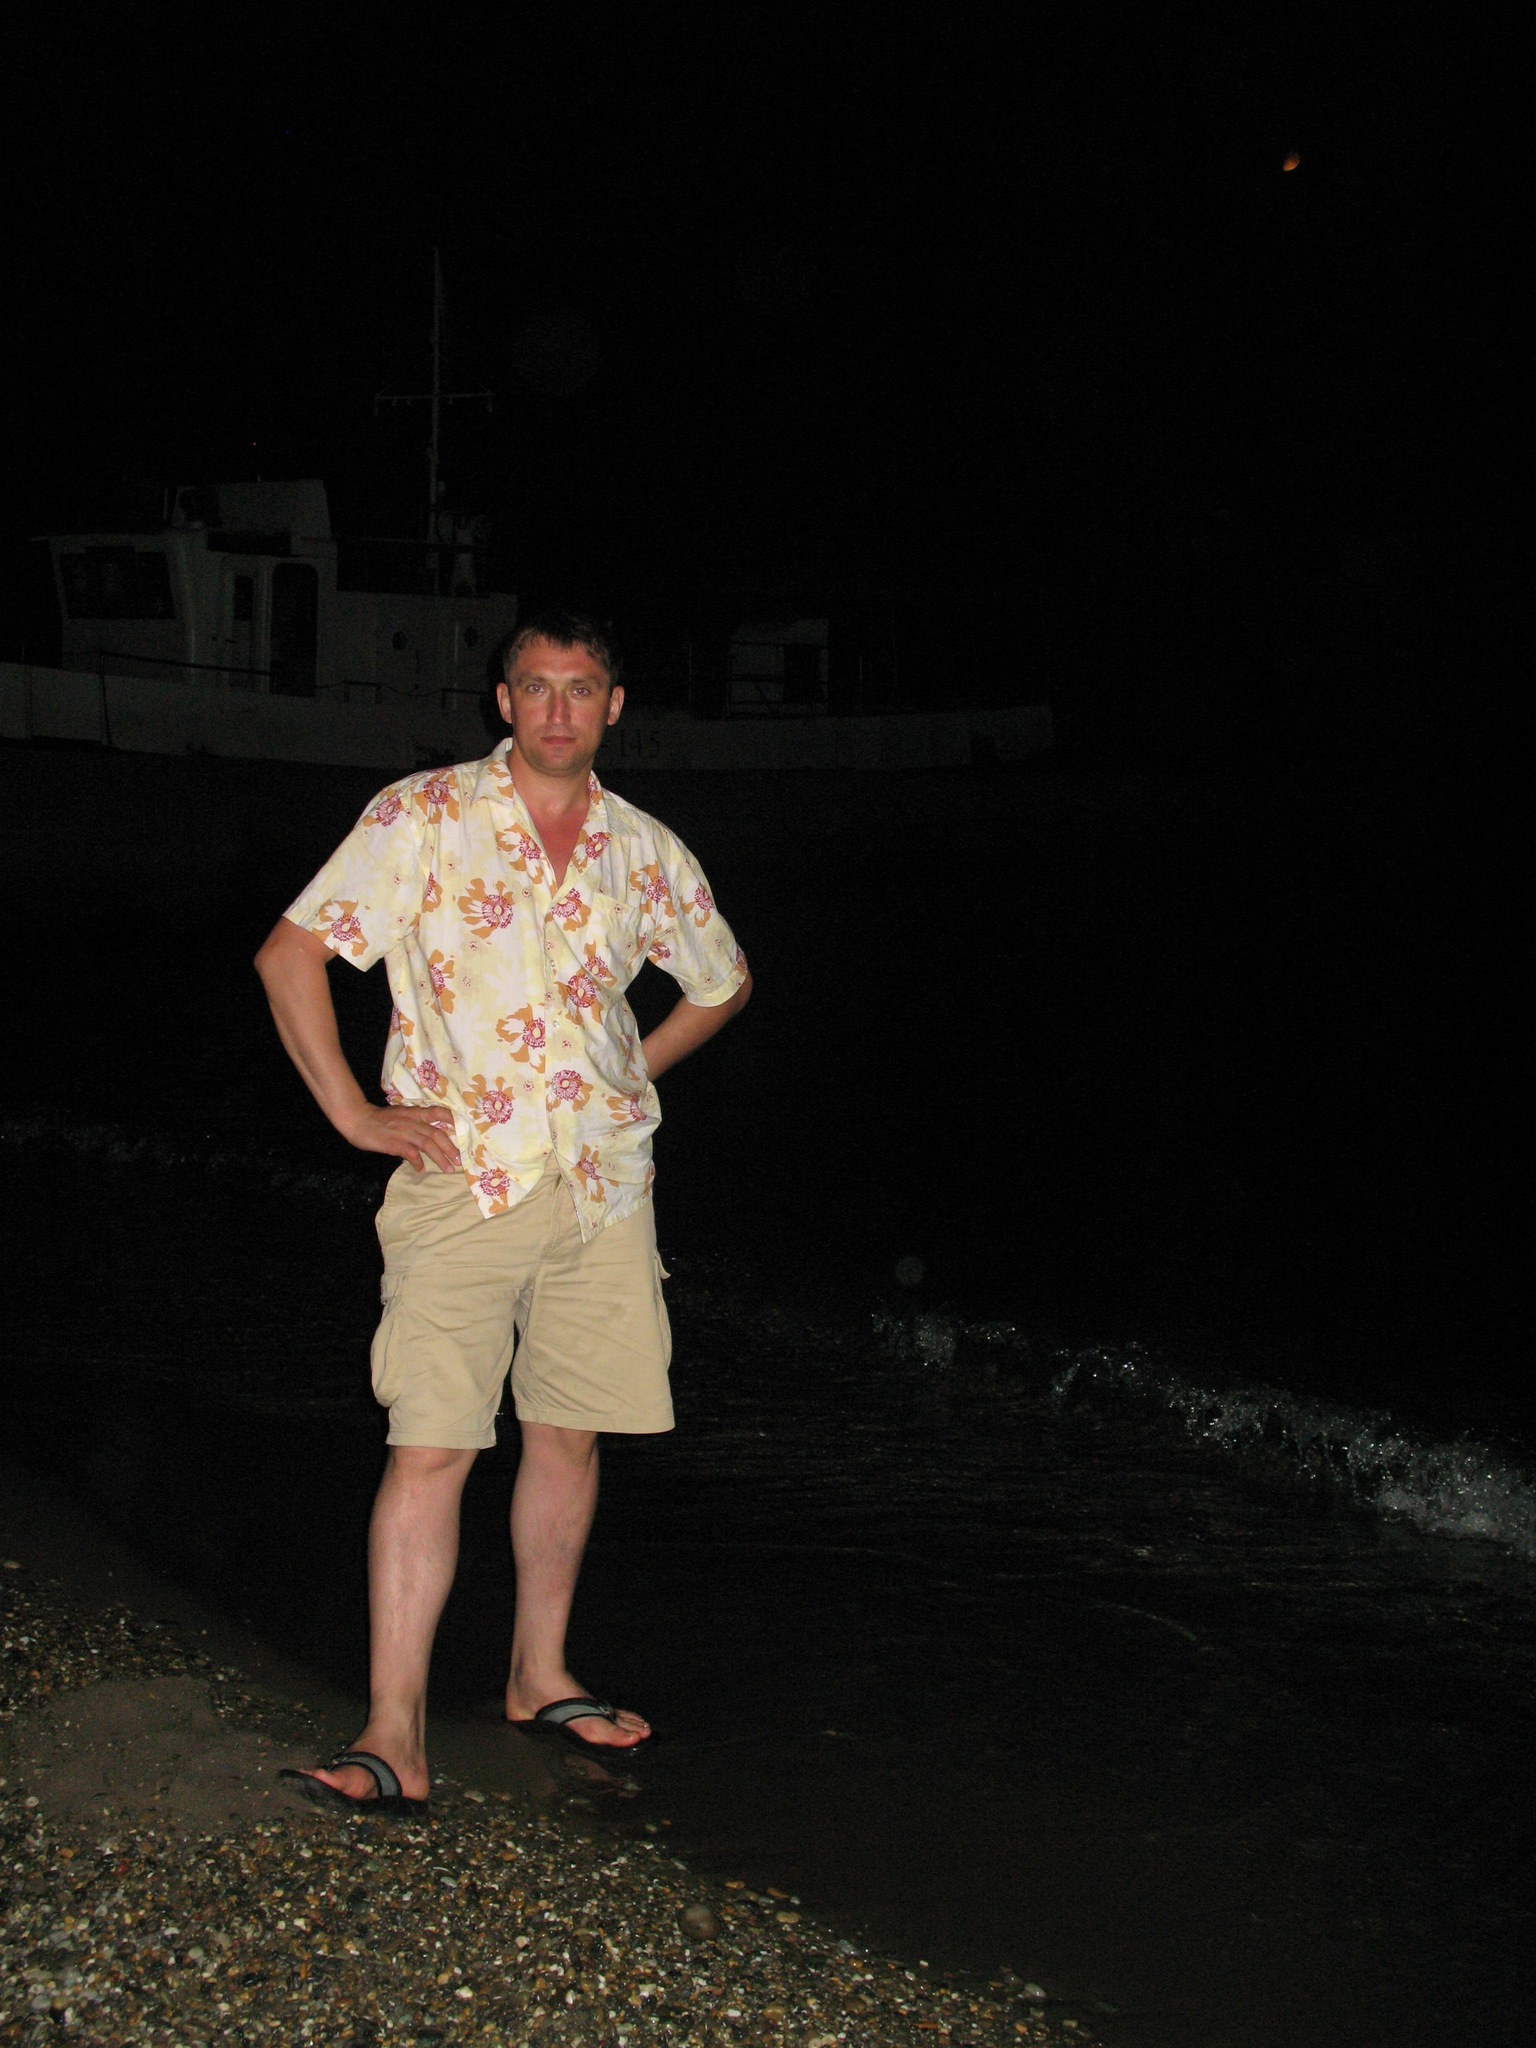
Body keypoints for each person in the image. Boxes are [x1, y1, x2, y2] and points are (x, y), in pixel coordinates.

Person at [255, 609, 752, 1810]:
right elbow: (289, 955)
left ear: (614, 705)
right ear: (503, 700)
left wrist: (627, 1075)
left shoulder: (644, 848)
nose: (557, 708)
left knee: (568, 1433)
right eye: (536, 685)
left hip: (602, 1187)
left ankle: (540, 1672)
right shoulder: (421, 815)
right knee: (430, 1445)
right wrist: (354, 1113)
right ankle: (393, 1731)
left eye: (581, 688)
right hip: (461, 1177)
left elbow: (722, 981)